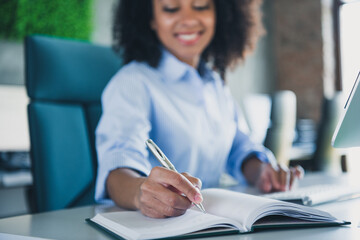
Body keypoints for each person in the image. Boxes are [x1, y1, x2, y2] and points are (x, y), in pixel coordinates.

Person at [95, 0, 304, 219]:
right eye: (171, 8)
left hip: (209, 224)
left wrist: (262, 171)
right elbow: (117, 166)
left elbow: (239, 148)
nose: (188, 19)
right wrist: (141, 193)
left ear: (220, 14)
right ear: (150, 19)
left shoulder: (214, 83)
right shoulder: (132, 82)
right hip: (156, 226)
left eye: (201, 6)